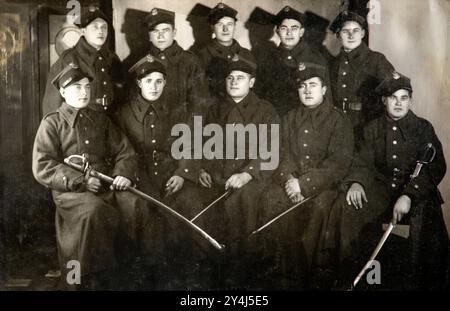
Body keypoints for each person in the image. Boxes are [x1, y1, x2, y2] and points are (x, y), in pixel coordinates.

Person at [334, 72, 448, 290]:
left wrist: (410, 194)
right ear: (384, 100)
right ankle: (355, 277)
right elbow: (362, 163)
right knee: (350, 208)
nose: (398, 103)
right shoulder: (371, 129)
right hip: (383, 190)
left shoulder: (423, 128)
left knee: (426, 230)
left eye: (403, 98)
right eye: (393, 98)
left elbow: (436, 167)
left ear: (410, 101)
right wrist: (357, 182)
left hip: (417, 193)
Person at [32, 63, 136, 290]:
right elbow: (43, 166)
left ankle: (121, 280)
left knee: (134, 205)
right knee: (93, 213)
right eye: (76, 87)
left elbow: (124, 151)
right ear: (62, 92)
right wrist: (80, 180)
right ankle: (81, 281)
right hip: (71, 192)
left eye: (87, 87)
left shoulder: (100, 119)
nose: (84, 92)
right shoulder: (52, 123)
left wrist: (122, 175)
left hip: (104, 186)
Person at [257, 62, 354, 289]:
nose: (307, 90)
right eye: (302, 86)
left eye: (313, 85)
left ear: (324, 90)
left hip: (324, 188)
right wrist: (290, 181)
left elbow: (338, 163)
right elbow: (280, 154)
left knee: (319, 210)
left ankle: (312, 279)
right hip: (291, 184)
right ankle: (279, 277)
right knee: (270, 199)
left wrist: (304, 184)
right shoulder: (289, 118)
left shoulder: (338, 120)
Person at [114, 55, 207, 290]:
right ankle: (146, 277)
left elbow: (191, 145)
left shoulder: (178, 112)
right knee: (143, 210)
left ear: (165, 83)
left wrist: (183, 173)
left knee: (193, 203)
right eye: (148, 81)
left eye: (158, 81)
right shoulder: (123, 114)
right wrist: (130, 176)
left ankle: (193, 275)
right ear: (138, 83)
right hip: (139, 176)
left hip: (172, 174)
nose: (153, 86)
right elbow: (120, 151)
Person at [196, 54, 279, 289]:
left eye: (240, 78)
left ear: (251, 82)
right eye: (230, 77)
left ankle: (240, 275)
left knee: (240, 205)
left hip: (252, 180)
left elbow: (272, 151)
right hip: (218, 178)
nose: (233, 82)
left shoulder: (265, 110)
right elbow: (202, 143)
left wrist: (246, 174)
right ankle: (211, 273)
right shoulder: (215, 109)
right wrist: (203, 167)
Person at [42, 6, 125, 115]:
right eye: (95, 27)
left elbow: (123, 93)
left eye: (104, 27)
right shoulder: (69, 59)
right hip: (82, 122)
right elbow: (53, 102)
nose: (100, 31)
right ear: (83, 31)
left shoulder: (112, 58)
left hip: (111, 122)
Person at [329, 10, 395, 147]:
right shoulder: (333, 63)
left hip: (367, 124)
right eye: (345, 31)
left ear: (363, 34)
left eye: (356, 30)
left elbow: (393, 93)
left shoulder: (376, 60)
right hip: (337, 125)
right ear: (338, 35)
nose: (351, 35)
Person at [255, 6, 329, 116]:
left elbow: (327, 99)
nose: (289, 33)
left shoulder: (316, 59)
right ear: (277, 31)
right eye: (284, 28)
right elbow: (259, 96)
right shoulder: (268, 59)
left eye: (294, 28)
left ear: (301, 32)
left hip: (306, 121)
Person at [144, 7, 210, 119]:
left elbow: (199, 107)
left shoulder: (190, 62)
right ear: (149, 36)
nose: (160, 36)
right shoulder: (141, 63)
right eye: (155, 31)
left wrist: (188, 134)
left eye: (165, 30)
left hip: (182, 132)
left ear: (174, 32)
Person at [197, 2, 254, 102]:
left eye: (229, 24)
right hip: (213, 113)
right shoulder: (202, 56)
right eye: (220, 24)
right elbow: (196, 96)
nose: (225, 29)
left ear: (235, 26)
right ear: (212, 27)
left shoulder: (246, 55)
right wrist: (198, 118)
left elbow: (254, 91)